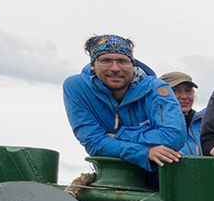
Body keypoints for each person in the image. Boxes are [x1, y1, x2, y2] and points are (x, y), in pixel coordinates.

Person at [62, 34, 186, 176]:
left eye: (122, 61)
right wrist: (144, 152)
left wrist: (118, 135)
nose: (115, 68)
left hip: (159, 175)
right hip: (111, 175)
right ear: (93, 65)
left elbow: (174, 137)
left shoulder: (156, 87)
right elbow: (94, 142)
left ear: (133, 66)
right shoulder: (76, 87)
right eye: (106, 61)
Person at [163, 69, 204, 155]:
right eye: (175, 90)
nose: (184, 96)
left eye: (188, 90)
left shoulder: (205, 122)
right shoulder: (153, 126)